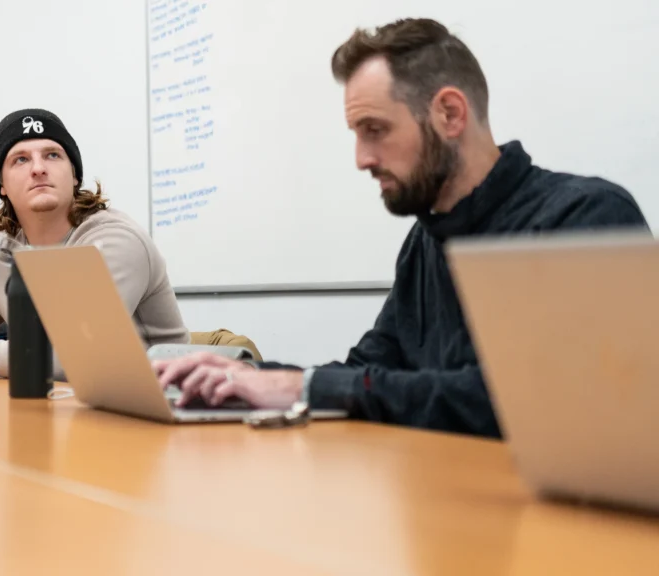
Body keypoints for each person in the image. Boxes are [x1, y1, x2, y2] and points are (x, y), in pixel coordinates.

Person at [152, 18, 650, 438]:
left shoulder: (586, 218)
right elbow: (371, 370)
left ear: (449, 114)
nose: (361, 159)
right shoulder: (427, 237)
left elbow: (531, 406)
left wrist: (297, 388)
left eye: (376, 130)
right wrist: (248, 375)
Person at [0, 108, 190, 377]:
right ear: (1, 186)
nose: (38, 168)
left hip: (157, 414)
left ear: (74, 176)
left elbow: (73, 356)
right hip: (64, 414)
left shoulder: (116, 240)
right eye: (20, 159)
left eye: (53, 155)